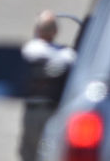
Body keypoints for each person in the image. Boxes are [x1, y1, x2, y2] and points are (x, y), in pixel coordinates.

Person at [18, 10, 76, 161]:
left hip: (32, 110)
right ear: (56, 32)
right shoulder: (68, 56)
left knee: (29, 152)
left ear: (37, 30)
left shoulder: (28, 51)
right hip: (56, 113)